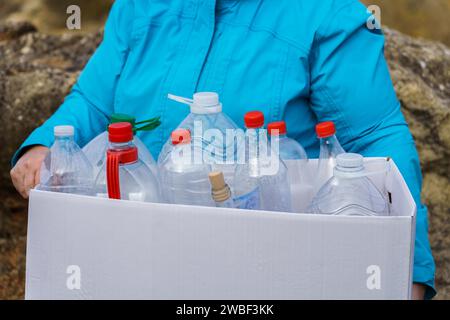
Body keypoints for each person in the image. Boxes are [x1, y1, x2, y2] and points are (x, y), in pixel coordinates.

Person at [10, 0, 435, 299]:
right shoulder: (138, 7)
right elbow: (94, 101)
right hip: (134, 254)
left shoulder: (327, 14)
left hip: (268, 268)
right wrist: (46, 145)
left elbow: (377, 140)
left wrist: (404, 271)